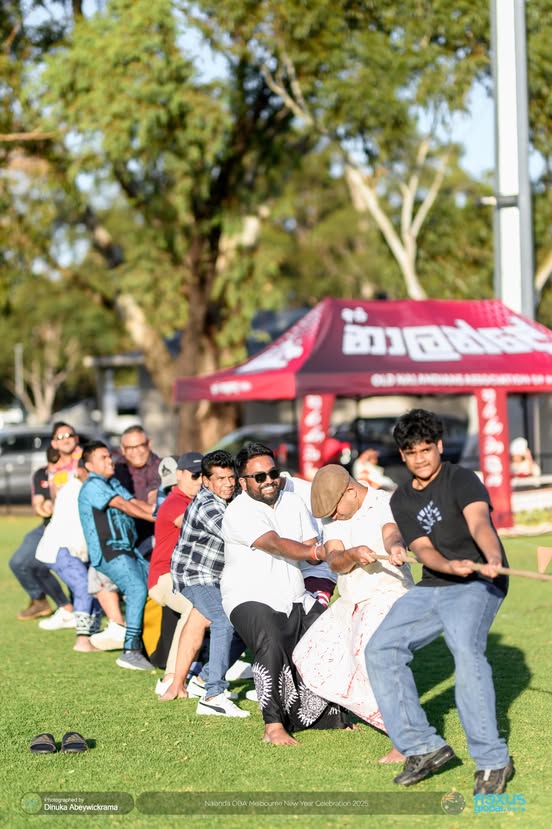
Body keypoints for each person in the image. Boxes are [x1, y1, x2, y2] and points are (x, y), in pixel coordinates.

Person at [364, 408, 514, 795]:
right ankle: (423, 748)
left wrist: (491, 559)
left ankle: (493, 760)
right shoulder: (401, 500)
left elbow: (479, 522)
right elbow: (424, 549)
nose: (421, 458)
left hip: (480, 581)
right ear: (402, 455)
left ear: (440, 447)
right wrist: (448, 564)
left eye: (427, 449)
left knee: (464, 650)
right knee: (382, 648)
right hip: (435, 583)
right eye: (412, 452)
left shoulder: (461, 478)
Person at [221, 443, 350, 746]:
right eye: (259, 476)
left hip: (293, 593)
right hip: (248, 595)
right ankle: (273, 726)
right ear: (243, 482)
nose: (268, 481)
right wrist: (317, 550)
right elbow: (276, 544)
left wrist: (341, 551)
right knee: (271, 640)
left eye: (273, 473)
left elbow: (310, 547)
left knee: (328, 634)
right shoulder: (238, 511)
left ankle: (331, 717)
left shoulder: (293, 503)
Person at [292, 464, 412, 763]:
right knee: (309, 655)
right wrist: (352, 554)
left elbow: (391, 531)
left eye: (335, 510)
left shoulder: (382, 502)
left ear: (350, 491)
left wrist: (395, 548)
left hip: (388, 595)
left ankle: (406, 737)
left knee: (370, 658)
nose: (333, 516)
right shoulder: (335, 518)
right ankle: (393, 717)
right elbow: (335, 560)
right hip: (353, 600)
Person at [161, 450, 248, 717]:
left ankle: (199, 681)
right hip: (195, 576)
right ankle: (213, 694)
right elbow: (239, 535)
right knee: (224, 620)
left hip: (217, 577)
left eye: (231, 477)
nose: (228, 483)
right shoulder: (208, 505)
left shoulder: (230, 497)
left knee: (246, 622)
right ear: (207, 482)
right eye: (220, 478)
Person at [78, 440, 156, 670]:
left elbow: (134, 502)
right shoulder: (92, 484)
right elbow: (123, 505)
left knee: (152, 585)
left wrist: (159, 511)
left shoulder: (111, 482)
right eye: (103, 458)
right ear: (90, 466)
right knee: (137, 590)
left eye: (109, 456)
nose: (109, 460)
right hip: (110, 551)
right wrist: (159, 519)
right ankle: (130, 650)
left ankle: (146, 644)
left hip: (126, 549)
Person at [148, 452, 203, 695]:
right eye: (195, 474)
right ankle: (170, 677)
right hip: (163, 578)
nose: (200, 480)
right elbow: (194, 525)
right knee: (196, 610)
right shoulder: (175, 502)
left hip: (186, 577)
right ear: (179, 475)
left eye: (205, 475)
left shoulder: (198, 501)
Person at [35, 459, 102, 651]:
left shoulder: (84, 486)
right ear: (81, 470)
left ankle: (94, 636)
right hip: (60, 547)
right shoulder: (76, 489)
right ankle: (83, 639)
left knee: (94, 586)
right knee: (83, 585)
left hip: (74, 549)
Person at [10, 440, 73, 621]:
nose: (57, 466)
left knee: (67, 567)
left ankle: (72, 608)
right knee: (19, 561)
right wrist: (45, 505)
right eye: (53, 461)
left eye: (61, 461)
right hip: (49, 526)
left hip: (72, 527)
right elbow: (40, 506)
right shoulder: (42, 475)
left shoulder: (77, 474)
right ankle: (40, 601)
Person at [114, 425, 161, 555]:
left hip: (154, 531)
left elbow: (155, 494)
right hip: (126, 534)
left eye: (140, 445)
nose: (136, 452)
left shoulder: (160, 466)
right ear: (123, 449)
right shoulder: (116, 469)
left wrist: (152, 508)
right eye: (130, 448)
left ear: (149, 444)